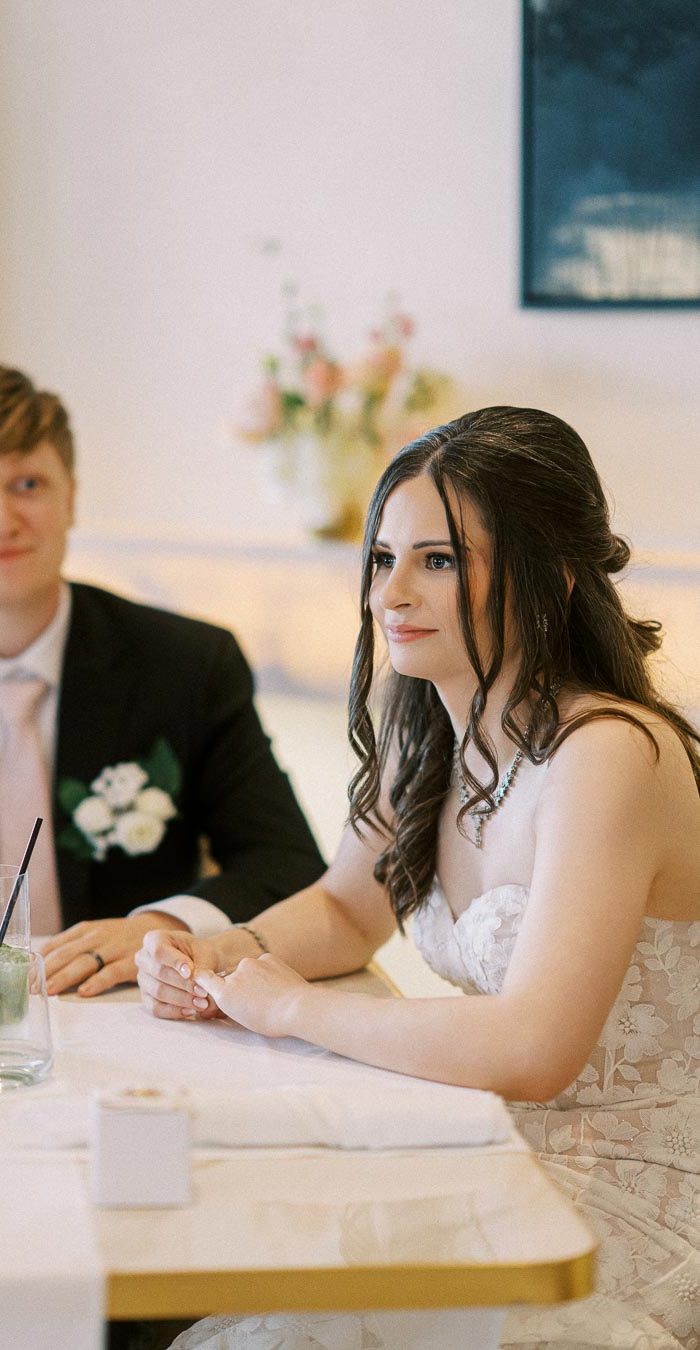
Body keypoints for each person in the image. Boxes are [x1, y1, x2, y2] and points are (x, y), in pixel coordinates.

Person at [137, 406, 700, 1350]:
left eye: (439, 561)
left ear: (553, 577)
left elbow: (533, 1048)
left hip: (634, 1188)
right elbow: (342, 909)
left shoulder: (610, 754)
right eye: (382, 558)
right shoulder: (431, 732)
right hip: (491, 1151)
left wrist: (292, 1011)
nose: (391, 593)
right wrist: (221, 955)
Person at [0, 362, 325, 995]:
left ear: (70, 495)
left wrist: (162, 925)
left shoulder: (186, 663)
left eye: (27, 483)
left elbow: (287, 864)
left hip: (137, 1003)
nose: (0, 520)